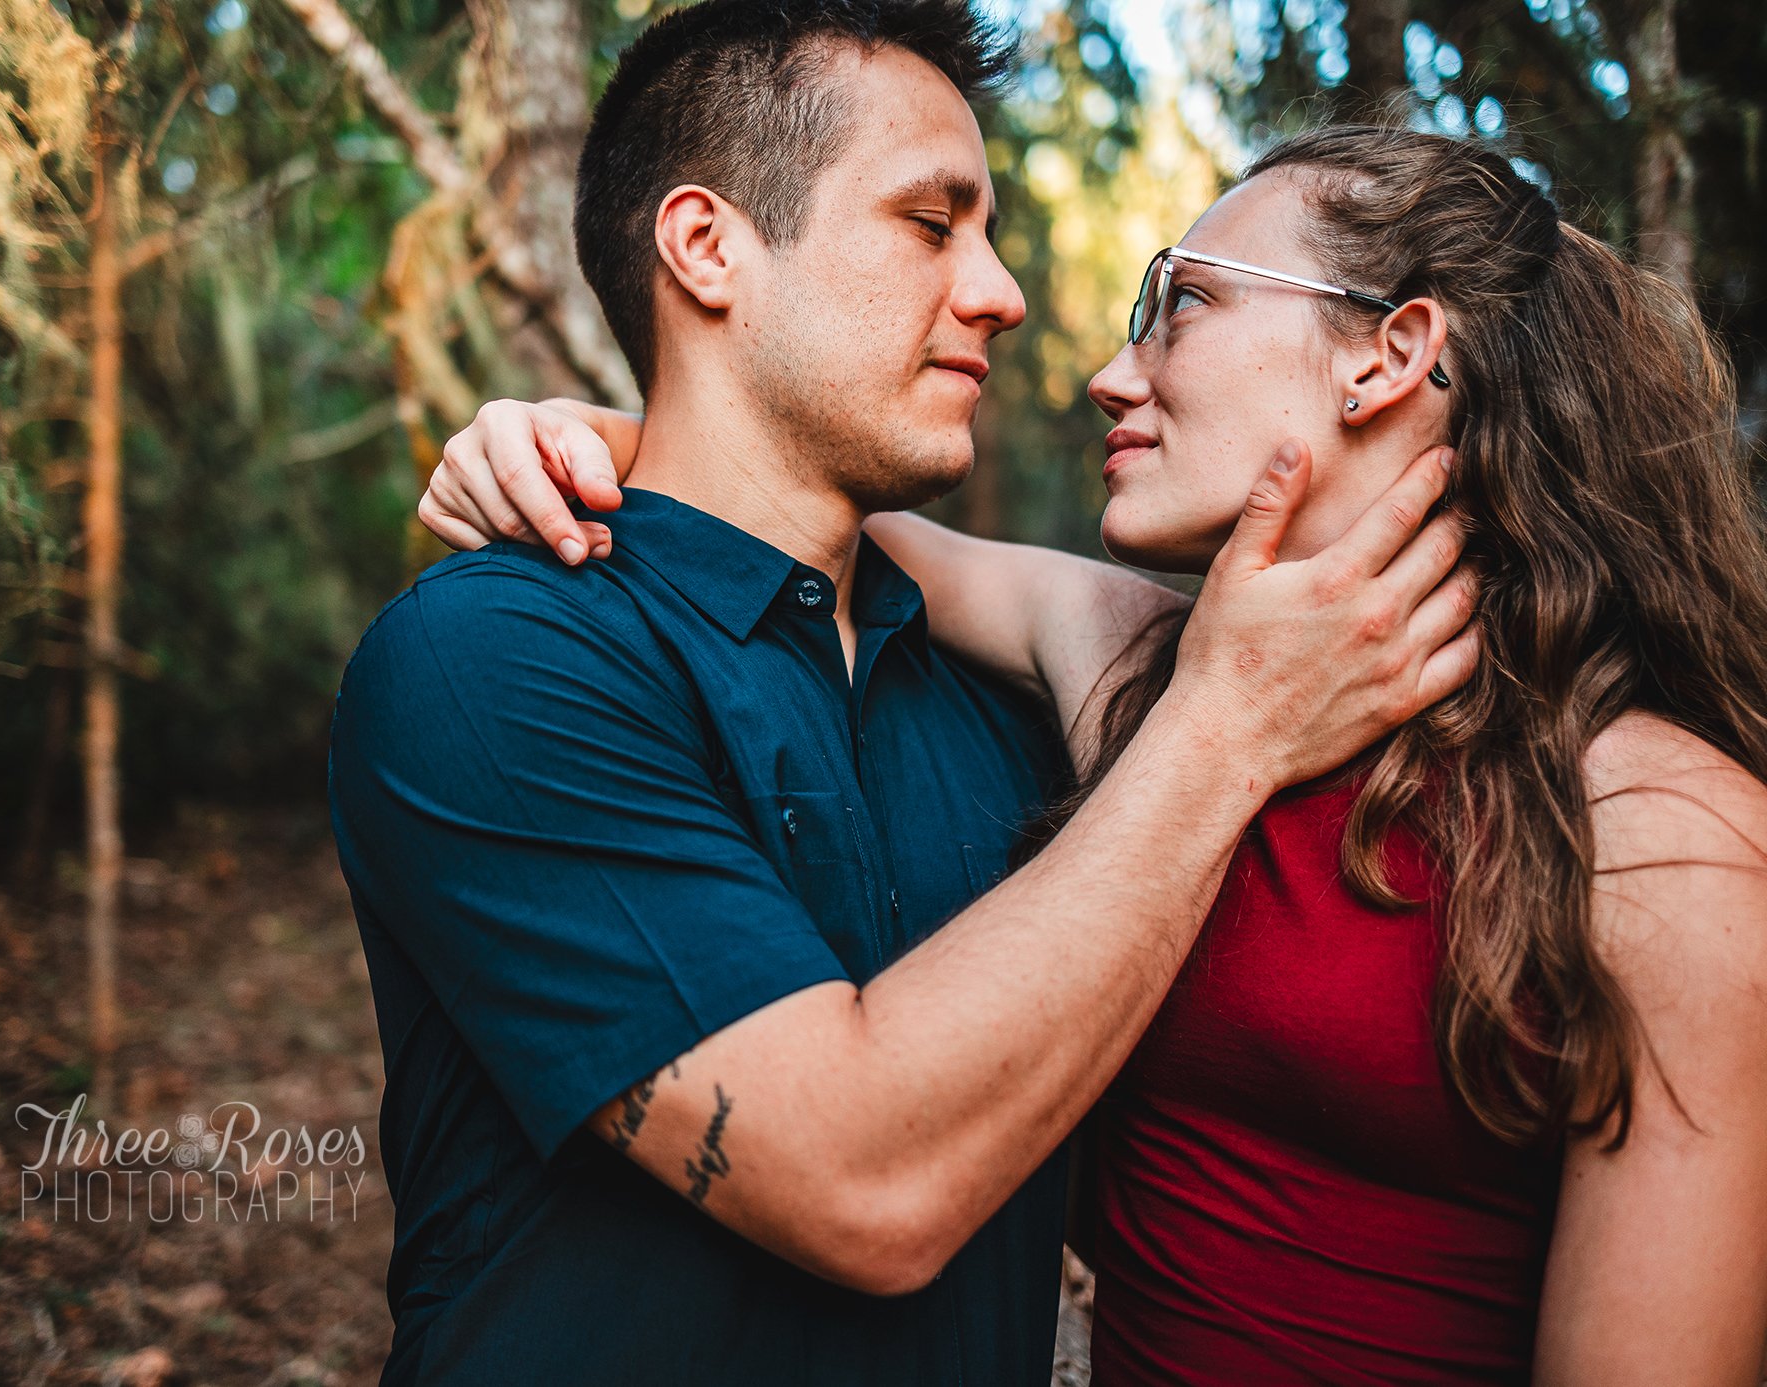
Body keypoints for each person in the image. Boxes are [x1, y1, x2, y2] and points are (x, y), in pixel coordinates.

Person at [425, 124, 1767, 1383]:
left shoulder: (1668, 838)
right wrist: (560, 439)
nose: (1110, 374)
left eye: (1182, 303)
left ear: (1388, 352)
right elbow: (801, 512)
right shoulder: (1140, 670)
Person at [330, 1, 1477, 1380]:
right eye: (933, 224)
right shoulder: (498, 658)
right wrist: (1223, 727)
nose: (1001, 292)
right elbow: (862, 1185)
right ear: (707, 248)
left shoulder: (1011, 701)